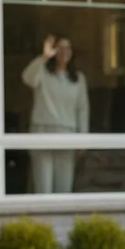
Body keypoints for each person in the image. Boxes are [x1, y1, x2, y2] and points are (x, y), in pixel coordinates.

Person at [21, 34, 89, 193]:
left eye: (68, 48)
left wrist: (83, 138)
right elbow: (27, 78)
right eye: (60, 48)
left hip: (67, 134)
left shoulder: (78, 79)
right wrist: (43, 57)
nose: (64, 52)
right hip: (42, 131)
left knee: (63, 189)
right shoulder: (43, 73)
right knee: (43, 189)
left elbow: (82, 109)